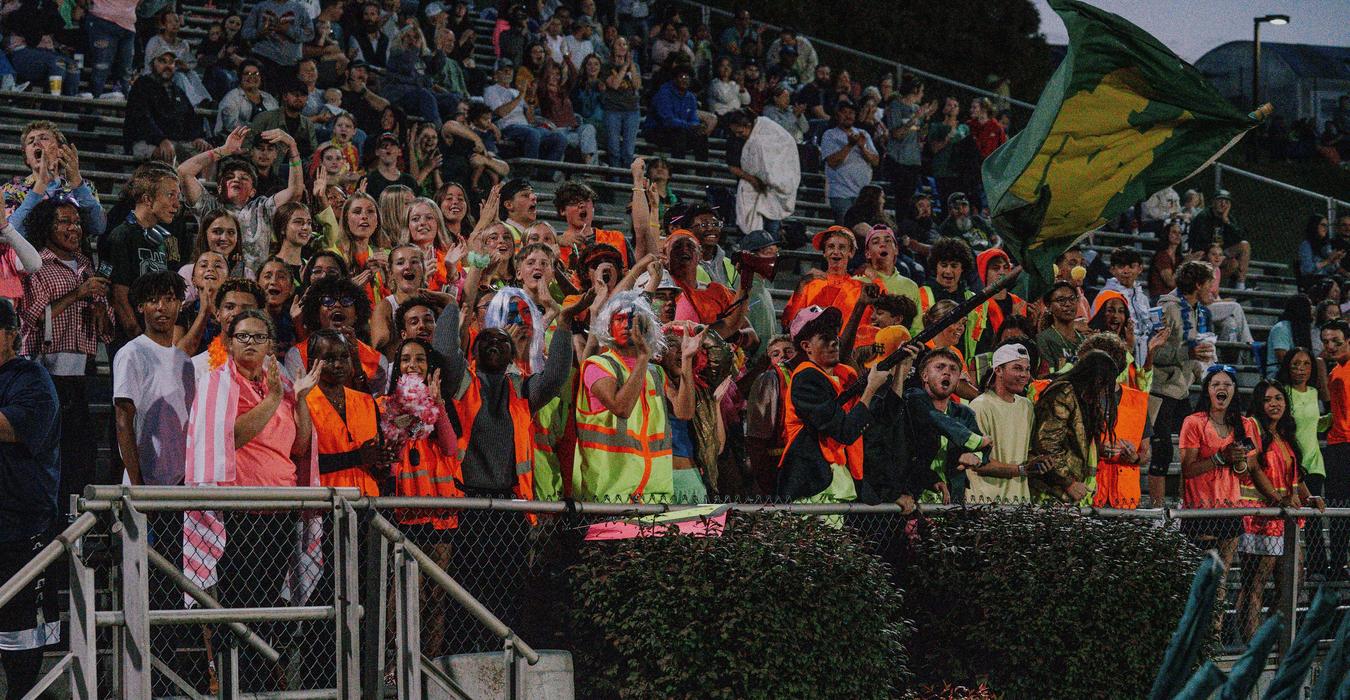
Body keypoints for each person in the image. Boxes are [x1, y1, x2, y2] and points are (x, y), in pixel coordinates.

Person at [182, 309, 321, 690]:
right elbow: (231, 438)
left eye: (259, 337)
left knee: (267, 606)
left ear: (271, 345)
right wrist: (274, 398)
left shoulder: (283, 385)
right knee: (238, 606)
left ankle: (259, 684)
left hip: (279, 510)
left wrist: (300, 400)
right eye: (242, 336)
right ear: (228, 342)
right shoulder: (217, 383)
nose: (250, 343)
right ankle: (236, 684)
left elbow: (300, 447)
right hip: (238, 513)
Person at [18, 198, 112, 499]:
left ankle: (77, 519)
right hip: (45, 371)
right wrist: (78, 294)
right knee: (50, 454)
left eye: (78, 222)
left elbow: (106, 330)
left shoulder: (86, 265)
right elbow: (34, 316)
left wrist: (101, 312)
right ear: (47, 227)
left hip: (81, 374)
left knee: (81, 454)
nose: (75, 228)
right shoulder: (37, 264)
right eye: (65, 222)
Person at [575, 291, 699, 502]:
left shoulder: (655, 372)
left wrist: (687, 359)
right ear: (608, 326)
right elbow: (621, 408)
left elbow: (684, 413)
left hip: (654, 494)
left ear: (646, 327)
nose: (627, 325)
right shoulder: (597, 366)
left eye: (634, 319)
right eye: (620, 319)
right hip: (608, 494)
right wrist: (643, 357)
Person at [1178, 365, 1277, 624]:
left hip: (1230, 508)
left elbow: (1250, 468)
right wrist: (1220, 458)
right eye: (1216, 384)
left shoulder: (1245, 425)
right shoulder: (1194, 422)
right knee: (1200, 581)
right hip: (1200, 509)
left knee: (1220, 581)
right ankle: (1197, 637)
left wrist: (1239, 461)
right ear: (1207, 390)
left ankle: (1214, 636)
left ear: (1234, 390)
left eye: (1227, 384)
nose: (1221, 388)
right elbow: (1188, 469)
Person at [0, 297, 61, 697]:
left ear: (10, 335)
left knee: (20, 634)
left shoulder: (30, 377)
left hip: (20, 526)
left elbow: (11, 427)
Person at [777, 305, 892, 508]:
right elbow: (845, 431)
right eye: (824, 337)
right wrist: (870, 388)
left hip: (841, 482)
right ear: (806, 346)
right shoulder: (806, 377)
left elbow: (874, 422)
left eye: (834, 334)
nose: (834, 341)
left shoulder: (845, 377)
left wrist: (899, 370)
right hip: (814, 486)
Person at [1236, 379, 1318, 641]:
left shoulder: (1285, 434)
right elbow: (1252, 468)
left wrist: (1310, 497)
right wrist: (1276, 498)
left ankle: (1269, 639)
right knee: (1254, 584)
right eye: (1267, 399)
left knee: (1293, 583)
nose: (1274, 404)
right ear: (1259, 403)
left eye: (1278, 398)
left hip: (1286, 518)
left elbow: (1296, 477)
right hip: (1260, 516)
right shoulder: (1251, 427)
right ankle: (1251, 645)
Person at [180, 126, 305, 275]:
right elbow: (184, 172)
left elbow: (295, 192)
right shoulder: (210, 208)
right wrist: (224, 150)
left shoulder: (261, 208)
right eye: (229, 177)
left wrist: (292, 147)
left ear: (253, 191)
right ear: (219, 188)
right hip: (212, 280)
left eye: (244, 178)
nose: (236, 179)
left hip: (253, 285)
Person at [113, 270, 194, 486]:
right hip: (144, 482)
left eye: (169, 299)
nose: (161, 307)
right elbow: (123, 421)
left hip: (180, 480)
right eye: (152, 300)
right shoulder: (132, 353)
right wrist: (138, 484)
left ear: (180, 304)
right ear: (140, 307)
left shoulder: (185, 361)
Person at [1148, 260, 1216, 507]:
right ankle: (1157, 512)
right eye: (1209, 283)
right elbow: (1155, 352)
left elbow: (1193, 352)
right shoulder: (1166, 308)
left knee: (1192, 450)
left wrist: (1208, 374)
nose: (1213, 289)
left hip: (1181, 390)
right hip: (1160, 390)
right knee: (1162, 451)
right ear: (1198, 284)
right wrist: (1189, 353)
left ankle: (1182, 507)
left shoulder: (1197, 310)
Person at [1030, 350, 1121, 503]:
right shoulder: (1064, 393)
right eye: (1104, 383)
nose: (1104, 390)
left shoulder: (1083, 397)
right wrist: (1067, 481)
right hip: (1051, 492)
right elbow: (1047, 443)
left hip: (1069, 493)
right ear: (1097, 379)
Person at [305, 330, 387, 494]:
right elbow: (302, 462)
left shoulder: (366, 401)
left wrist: (382, 461)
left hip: (368, 500)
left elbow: (377, 465)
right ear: (312, 362)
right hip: (324, 500)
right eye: (329, 359)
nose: (338, 364)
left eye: (344, 357)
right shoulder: (302, 402)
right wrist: (357, 457)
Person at [904, 346, 988, 505]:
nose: (947, 372)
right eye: (939, 367)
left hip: (953, 501)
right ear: (924, 376)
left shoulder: (965, 414)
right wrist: (975, 441)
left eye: (953, 369)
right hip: (913, 499)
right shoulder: (910, 403)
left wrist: (975, 457)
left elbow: (985, 449)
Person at [106, 165, 181, 341]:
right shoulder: (121, 236)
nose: (177, 204)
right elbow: (119, 297)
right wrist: (139, 339)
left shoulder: (168, 239)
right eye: (170, 195)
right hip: (131, 340)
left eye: (178, 197)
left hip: (160, 336)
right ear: (147, 199)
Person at [968, 343, 1037, 503]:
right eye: (1017, 368)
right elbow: (978, 463)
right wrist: (1021, 470)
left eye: (1027, 369)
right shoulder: (980, 406)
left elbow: (1027, 452)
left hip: (1019, 503)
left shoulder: (1026, 406)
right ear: (998, 370)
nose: (1024, 375)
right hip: (984, 504)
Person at [781, 226, 869, 339]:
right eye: (831, 247)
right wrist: (801, 285)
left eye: (842, 247)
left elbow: (863, 328)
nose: (836, 252)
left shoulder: (859, 287)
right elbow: (789, 323)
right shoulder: (809, 284)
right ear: (824, 252)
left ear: (851, 253)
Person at [125, 48, 211, 162]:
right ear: (152, 64)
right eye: (162, 61)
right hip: (144, 141)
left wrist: (197, 137)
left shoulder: (177, 90)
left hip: (173, 142)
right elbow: (142, 119)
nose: (167, 66)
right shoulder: (142, 85)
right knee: (168, 154)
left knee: (209, 155)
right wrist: (161, 140)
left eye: (171, 62)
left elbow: (190, 117)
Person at [724, 109, 799, 236]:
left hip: (772, 190)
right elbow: (732, 166)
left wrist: (772, 179)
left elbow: (784, 149)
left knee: (771, 228)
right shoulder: (734, 140)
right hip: (749, 187)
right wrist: (752, 179)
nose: (738, 135)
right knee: (748, 230)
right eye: (735, 132)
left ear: (748, 126)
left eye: (740, 132)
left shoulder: (767, 131)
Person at [483, 60, 567, 167]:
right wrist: (521, 95)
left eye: (511, 71)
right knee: (533, 134)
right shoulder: (491, 90)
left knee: (560, 138)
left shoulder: (515, 91)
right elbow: (500, 113)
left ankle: (546, 173)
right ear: (496, 74)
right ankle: (529, 171)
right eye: (505, 71)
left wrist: (531, 96)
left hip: (526, 127)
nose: (509, 73)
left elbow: (531, 119)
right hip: (507, 128)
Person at [1322, 319, 1350, 579]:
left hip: (1345, 446)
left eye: (1336, 342)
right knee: (1338, 509)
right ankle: (1339, 563)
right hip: (1337, 446)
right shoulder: (1333, 372)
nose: (1330, 346)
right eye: (1326, 341)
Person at [821, 101, 879, 224]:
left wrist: (862, 147)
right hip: (841, 193)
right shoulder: (830, 135)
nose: (848, 116)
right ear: (837, 115)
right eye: (844, 112)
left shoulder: (863, 134)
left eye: (851, 113)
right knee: (845, 229)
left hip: (863, 194)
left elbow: (875, 161)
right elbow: (832, 162)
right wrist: (850, 145)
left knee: (862, 230)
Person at [882, 74, 936, 205]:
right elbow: (896, 134)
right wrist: (915, 118)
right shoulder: (896, 106)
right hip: (898, 161)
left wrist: (927, 118)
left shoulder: (917, 109)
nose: (922, 94)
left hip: (913, 161)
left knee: (910, 201)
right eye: (921, 90)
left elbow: (921, 136)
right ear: (915, 90)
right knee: (900, 200)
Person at [241, 0, 314, 88]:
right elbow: (245, 33)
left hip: (290, 64)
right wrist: (259, 33)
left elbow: (310, 34)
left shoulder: (300, 9)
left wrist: (288, 30)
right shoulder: (260, 7)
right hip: (263, 58)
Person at [644, 65, 711, 161]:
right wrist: (689, 126)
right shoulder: (664, 93)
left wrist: (697, 126)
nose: (685, 80)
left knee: (701, 137)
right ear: (674, 79)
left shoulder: (691, 97)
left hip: (681, 130)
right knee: (679, 134)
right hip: (657, 130)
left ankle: (703, 169)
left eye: (687, 78)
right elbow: (667, 120)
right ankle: (679, 167)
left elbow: (693, 118)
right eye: (682, 77)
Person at [1188, 189, 1251, 290]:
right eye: (1220, 201)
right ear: (1213, 202)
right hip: (1204, 253)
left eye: (1226, 202)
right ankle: (1209, 286)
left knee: (1244, 245)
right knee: (1233, 263)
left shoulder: (1228, 217)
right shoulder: (1204, 216)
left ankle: (1240, 286)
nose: (1223, 204)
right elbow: (1200, 242)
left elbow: (1239, 237)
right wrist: (1217, 252)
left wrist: (1227, 221)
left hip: (1219, 252)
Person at [1102, 246, 1153, 367]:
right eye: (1121, 266)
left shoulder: (1143, 298)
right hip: (1116, 352)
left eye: (1131, 266)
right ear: (1112, 270)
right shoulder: (1105, 295)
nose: (1126, 271)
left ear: (1140, 269)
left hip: (1141, 352)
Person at [601, 37, 642, 168]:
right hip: (613, 110)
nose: (622, 46)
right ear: (613, 47)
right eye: (619, 44)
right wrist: (625, 67)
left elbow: (637, 85)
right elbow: (615, 84)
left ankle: (625, 177)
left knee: (629, 151)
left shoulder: (634, 66)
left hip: (632, 110)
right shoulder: (606, 66)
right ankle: (615, 178)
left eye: (624, 44)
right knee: (614, 149)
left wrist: (632, 66)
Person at [1035, 281, 1088, 374]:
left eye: (1072, 299)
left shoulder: (1084, 340)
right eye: (1061, 300)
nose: (1068, 304)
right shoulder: (1044, 339)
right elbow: (1046, 376)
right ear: (1048, 306)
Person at [1297, 214, 1341, 283]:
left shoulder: (1326, 245)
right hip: (1312, 281)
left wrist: (1334, 261)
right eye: (1323, 225)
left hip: (1326, 279)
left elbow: (1329, 270)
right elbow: (1307, 269)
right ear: (1314, 226)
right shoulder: (1306, 245)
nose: (1326, 228)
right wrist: (1328, 261)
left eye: (1327, 226)